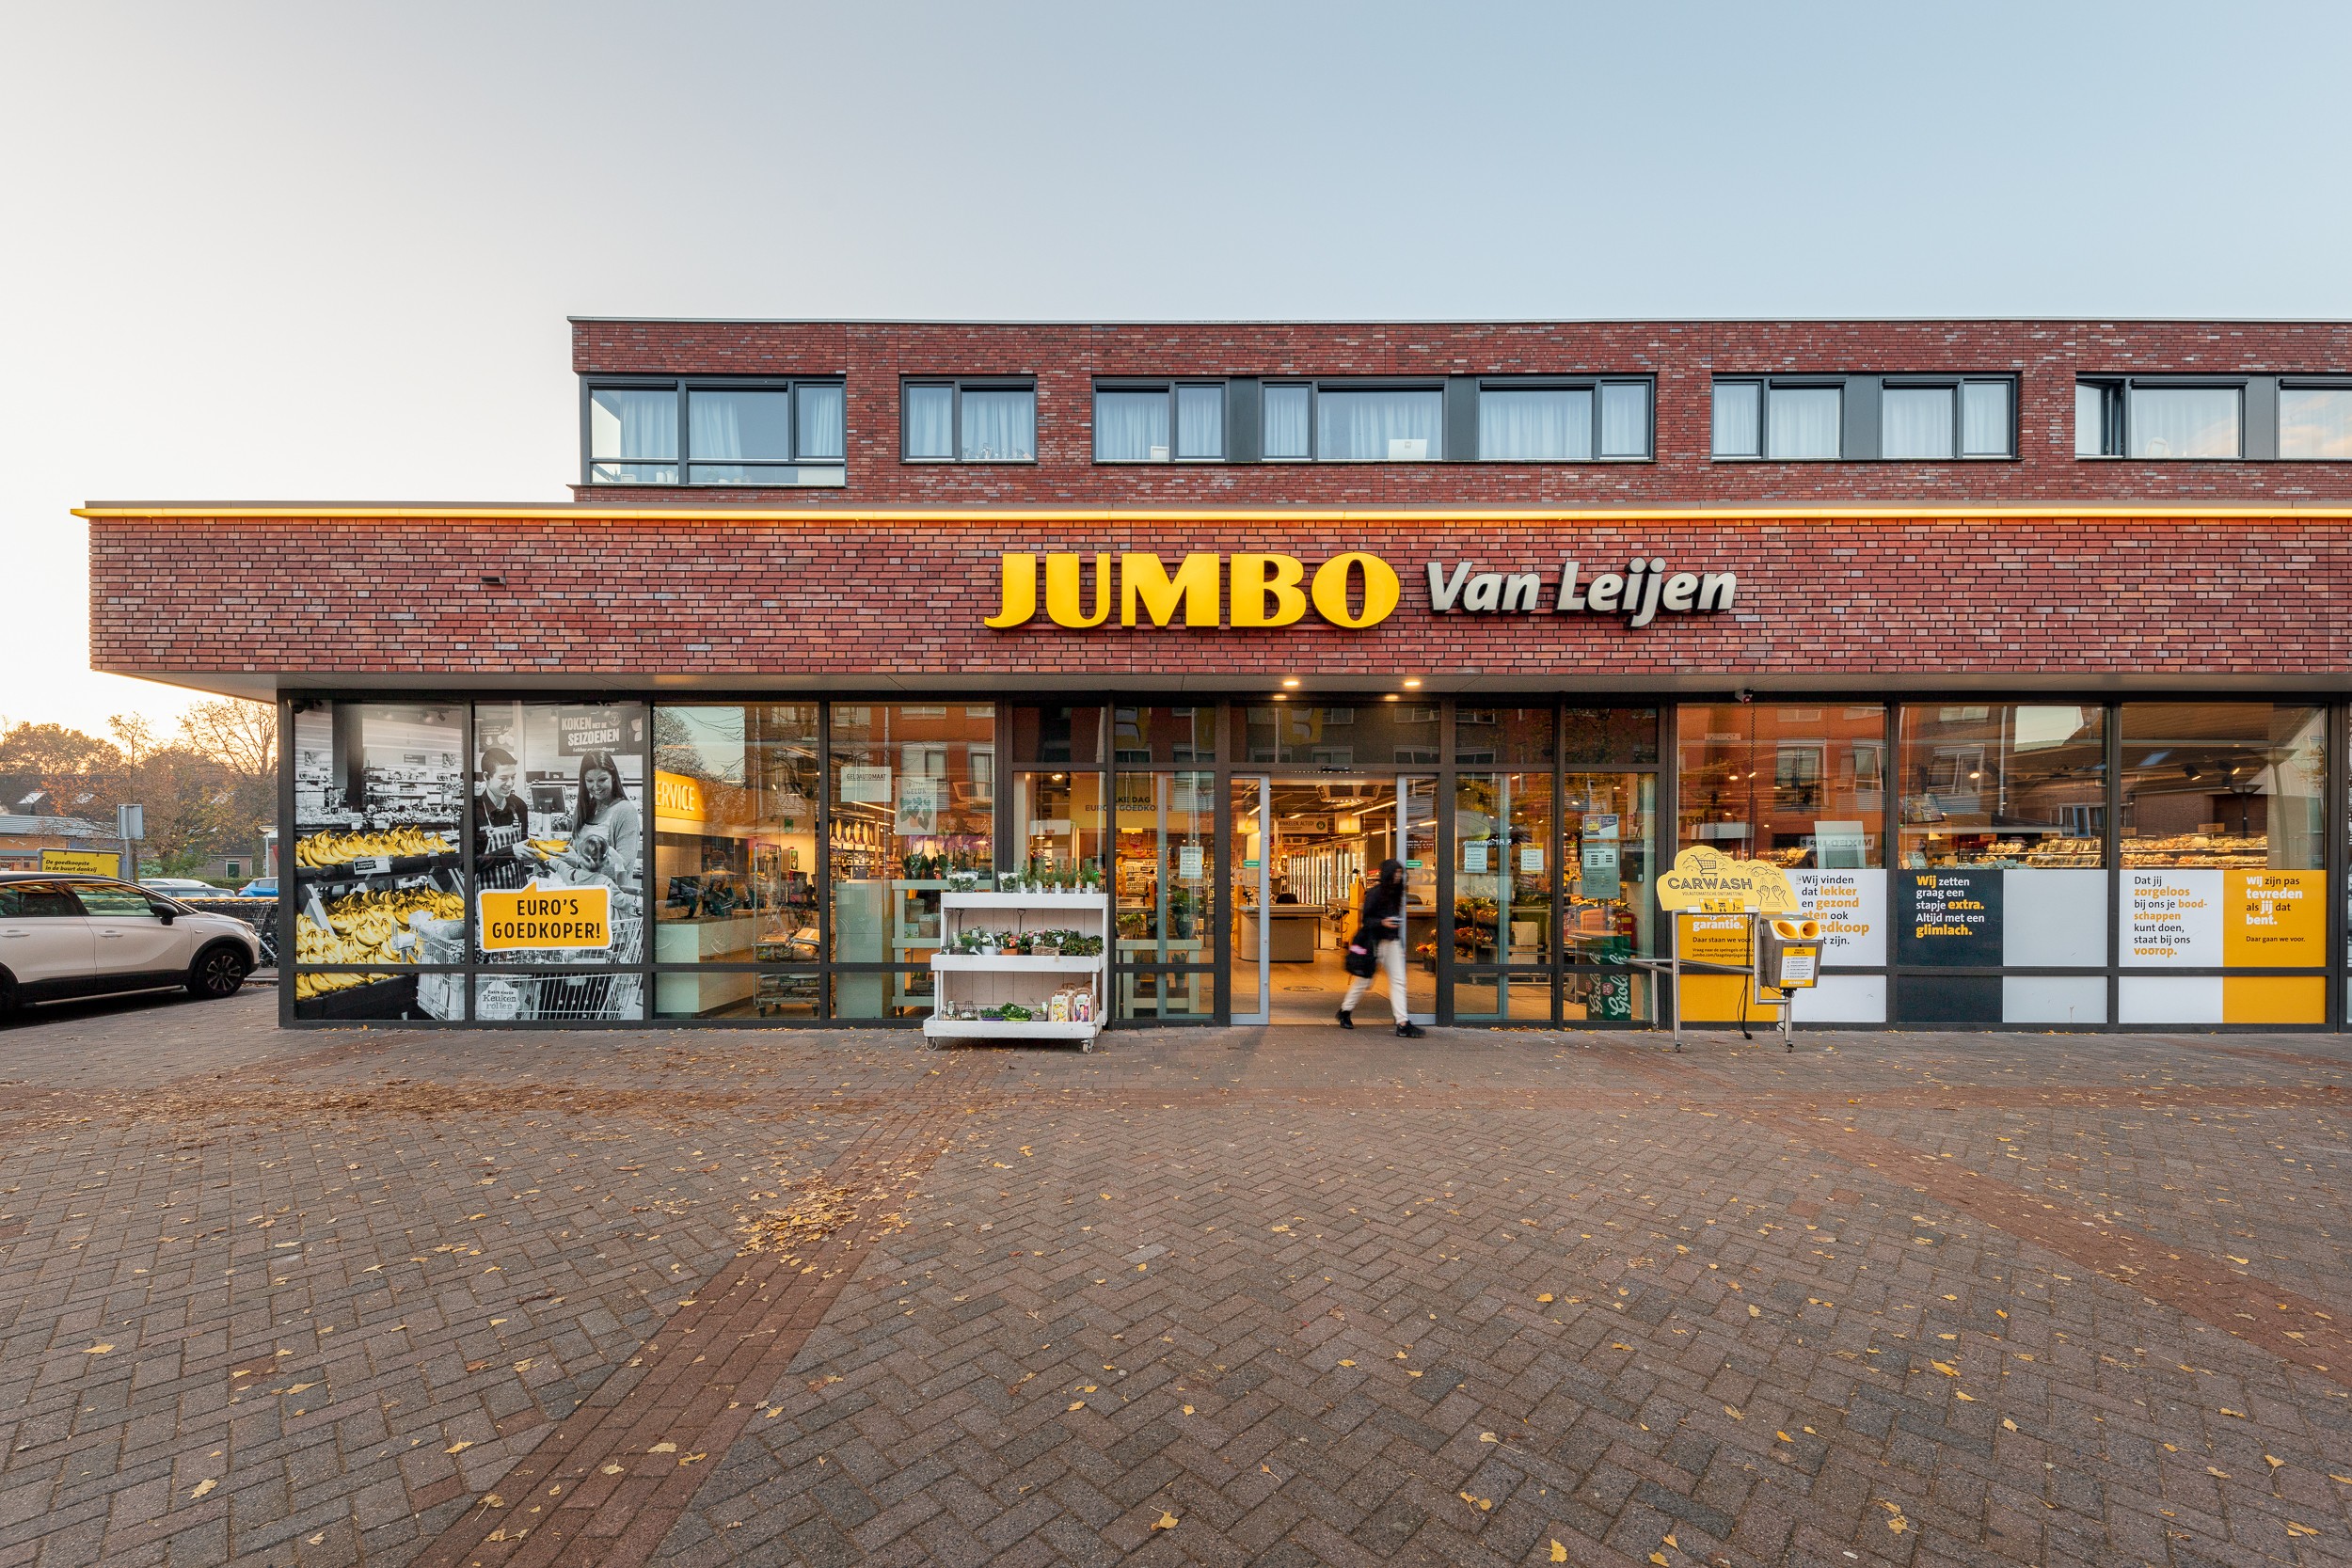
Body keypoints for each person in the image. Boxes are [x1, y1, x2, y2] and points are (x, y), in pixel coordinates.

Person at [523, 750, 642, 893]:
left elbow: (623, 867)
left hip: (611, 900)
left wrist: (580, 862)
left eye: (602, 780)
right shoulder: (583, 809)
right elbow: (574, 851)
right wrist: (548, 859)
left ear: (614, 778)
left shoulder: (625, 811)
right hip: (582, 897)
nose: (596, 787)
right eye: (590, 781)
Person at [1338, 858, 1423, 1037]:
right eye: (1396, 873)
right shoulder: (1376, 893)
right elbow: (1367, 920)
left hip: (1391, 943)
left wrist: (1400, 943)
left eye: (1400, 873)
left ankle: (1402, 1022)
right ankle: (1345, 1011)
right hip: (1374, 942)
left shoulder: (1397, 894)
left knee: (1399, 980)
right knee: (1364, 981)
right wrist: (1383, 922)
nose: (1398, 876)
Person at [472, 746, 532, 891]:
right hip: (489, 899)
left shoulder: (519, 806)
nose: (510, 783)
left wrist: (532, 854)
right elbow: (468, 865)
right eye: (503, 778)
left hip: (520, 894)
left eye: (513, 777)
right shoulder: (474, 812)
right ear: (486, 777)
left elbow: (523, 842)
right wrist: (510, 852)